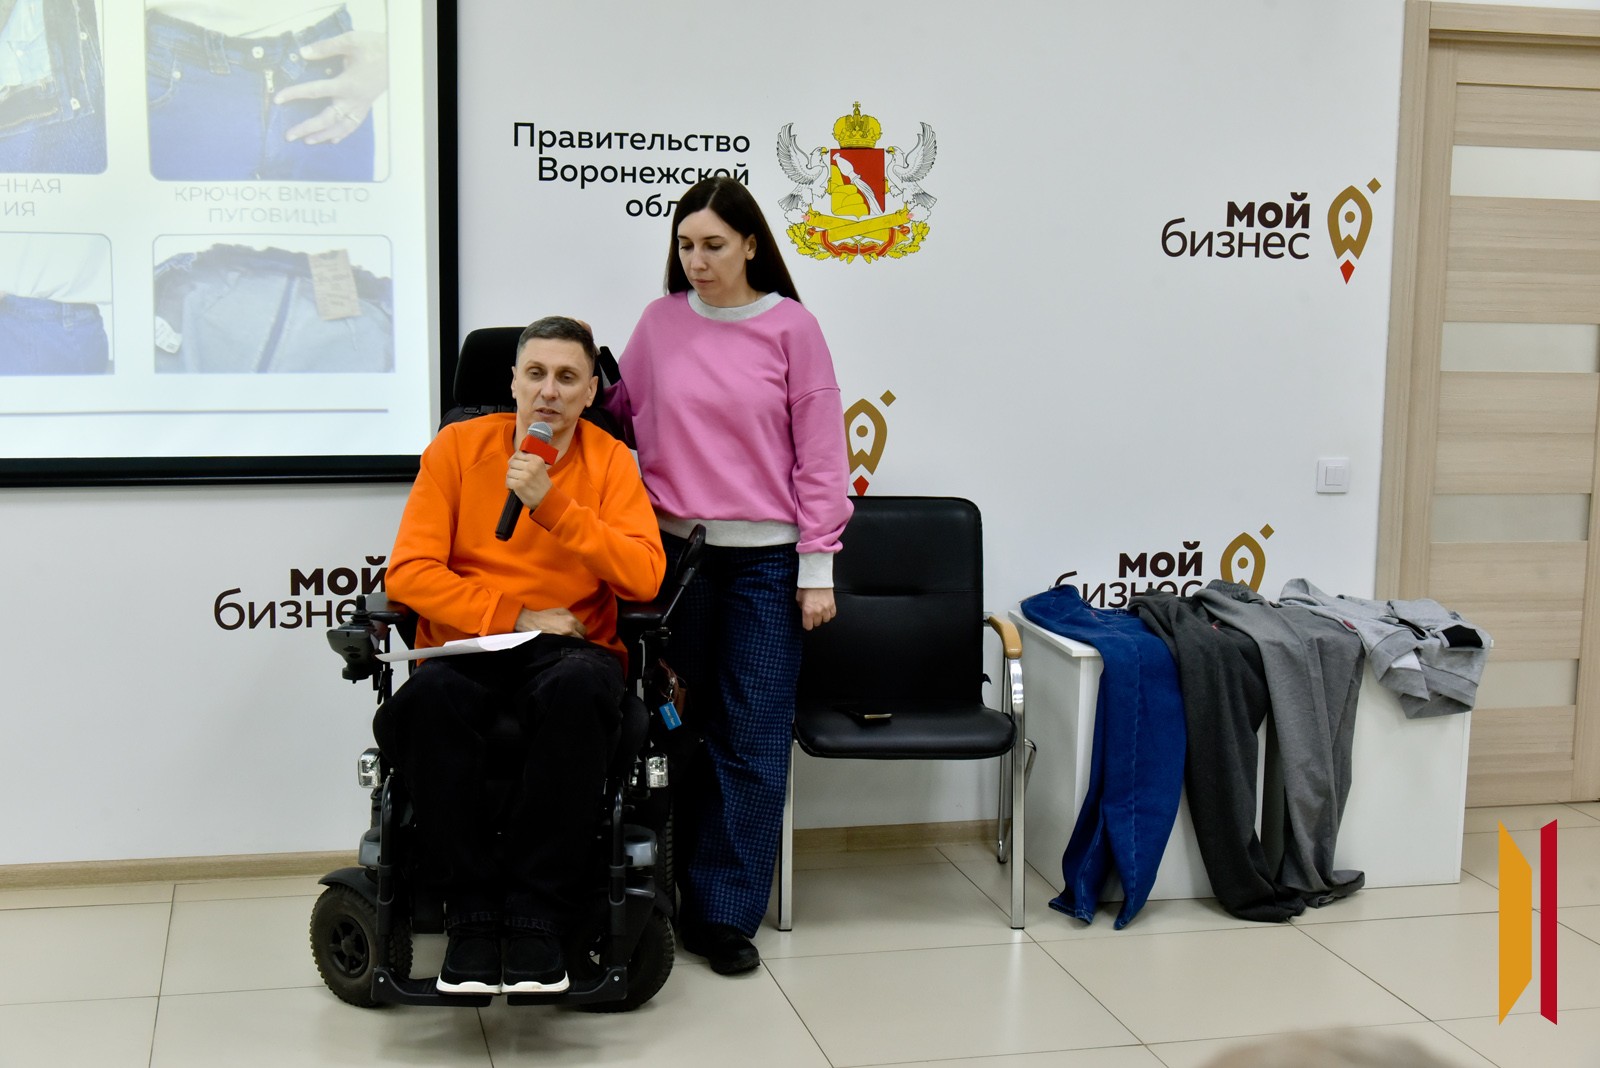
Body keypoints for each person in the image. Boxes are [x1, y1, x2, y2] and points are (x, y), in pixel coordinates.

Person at [373, 316, 666, 995]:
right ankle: (472, 917)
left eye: (567, 377)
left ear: (590, 391)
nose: (548, 391)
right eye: (535, 374)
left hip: (571, 651)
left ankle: (537, 917)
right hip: (471, 643)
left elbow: (645, 576)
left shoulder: (610, 461)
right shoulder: (457, 448)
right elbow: (409, 574)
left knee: (578, 693)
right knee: (430, 702)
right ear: (512, 382)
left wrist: (553, 506)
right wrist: (513, 614)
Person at [606, 176, 852, 975]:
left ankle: (723, 914)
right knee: (669, 729)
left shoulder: (792, 328)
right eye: (685, 246)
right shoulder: (659, 324)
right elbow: (617, 418)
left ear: (751, 244)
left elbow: (822, 454)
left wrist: (818, 566)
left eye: (714, 245)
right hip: (672, 558)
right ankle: (652, 894)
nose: (698, 261)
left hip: (766, 563)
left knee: (750, 735)